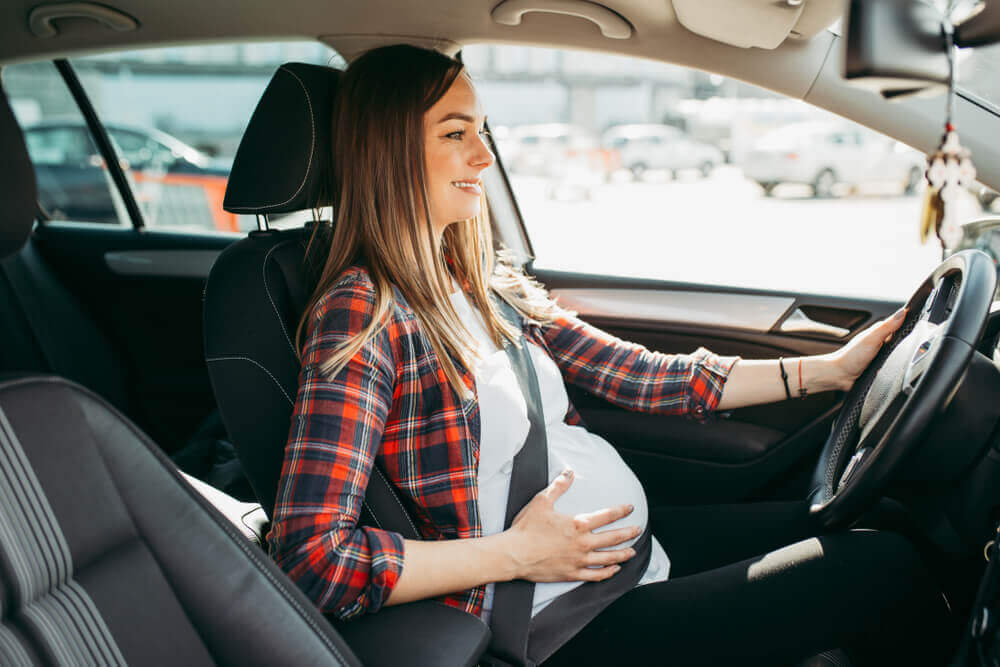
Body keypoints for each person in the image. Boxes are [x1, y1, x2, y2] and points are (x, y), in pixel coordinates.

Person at [267, 44, 951, 665]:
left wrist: (828, 369)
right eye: (456, 134)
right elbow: (311, 558)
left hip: (632, 553)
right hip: (564, 620)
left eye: (483, 131)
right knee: (885, 566)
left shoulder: (478, 279)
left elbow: (639, 373)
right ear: (387, 152)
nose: (485, 155)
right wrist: (515, 553)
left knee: (883, 515)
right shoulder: (363, 311)